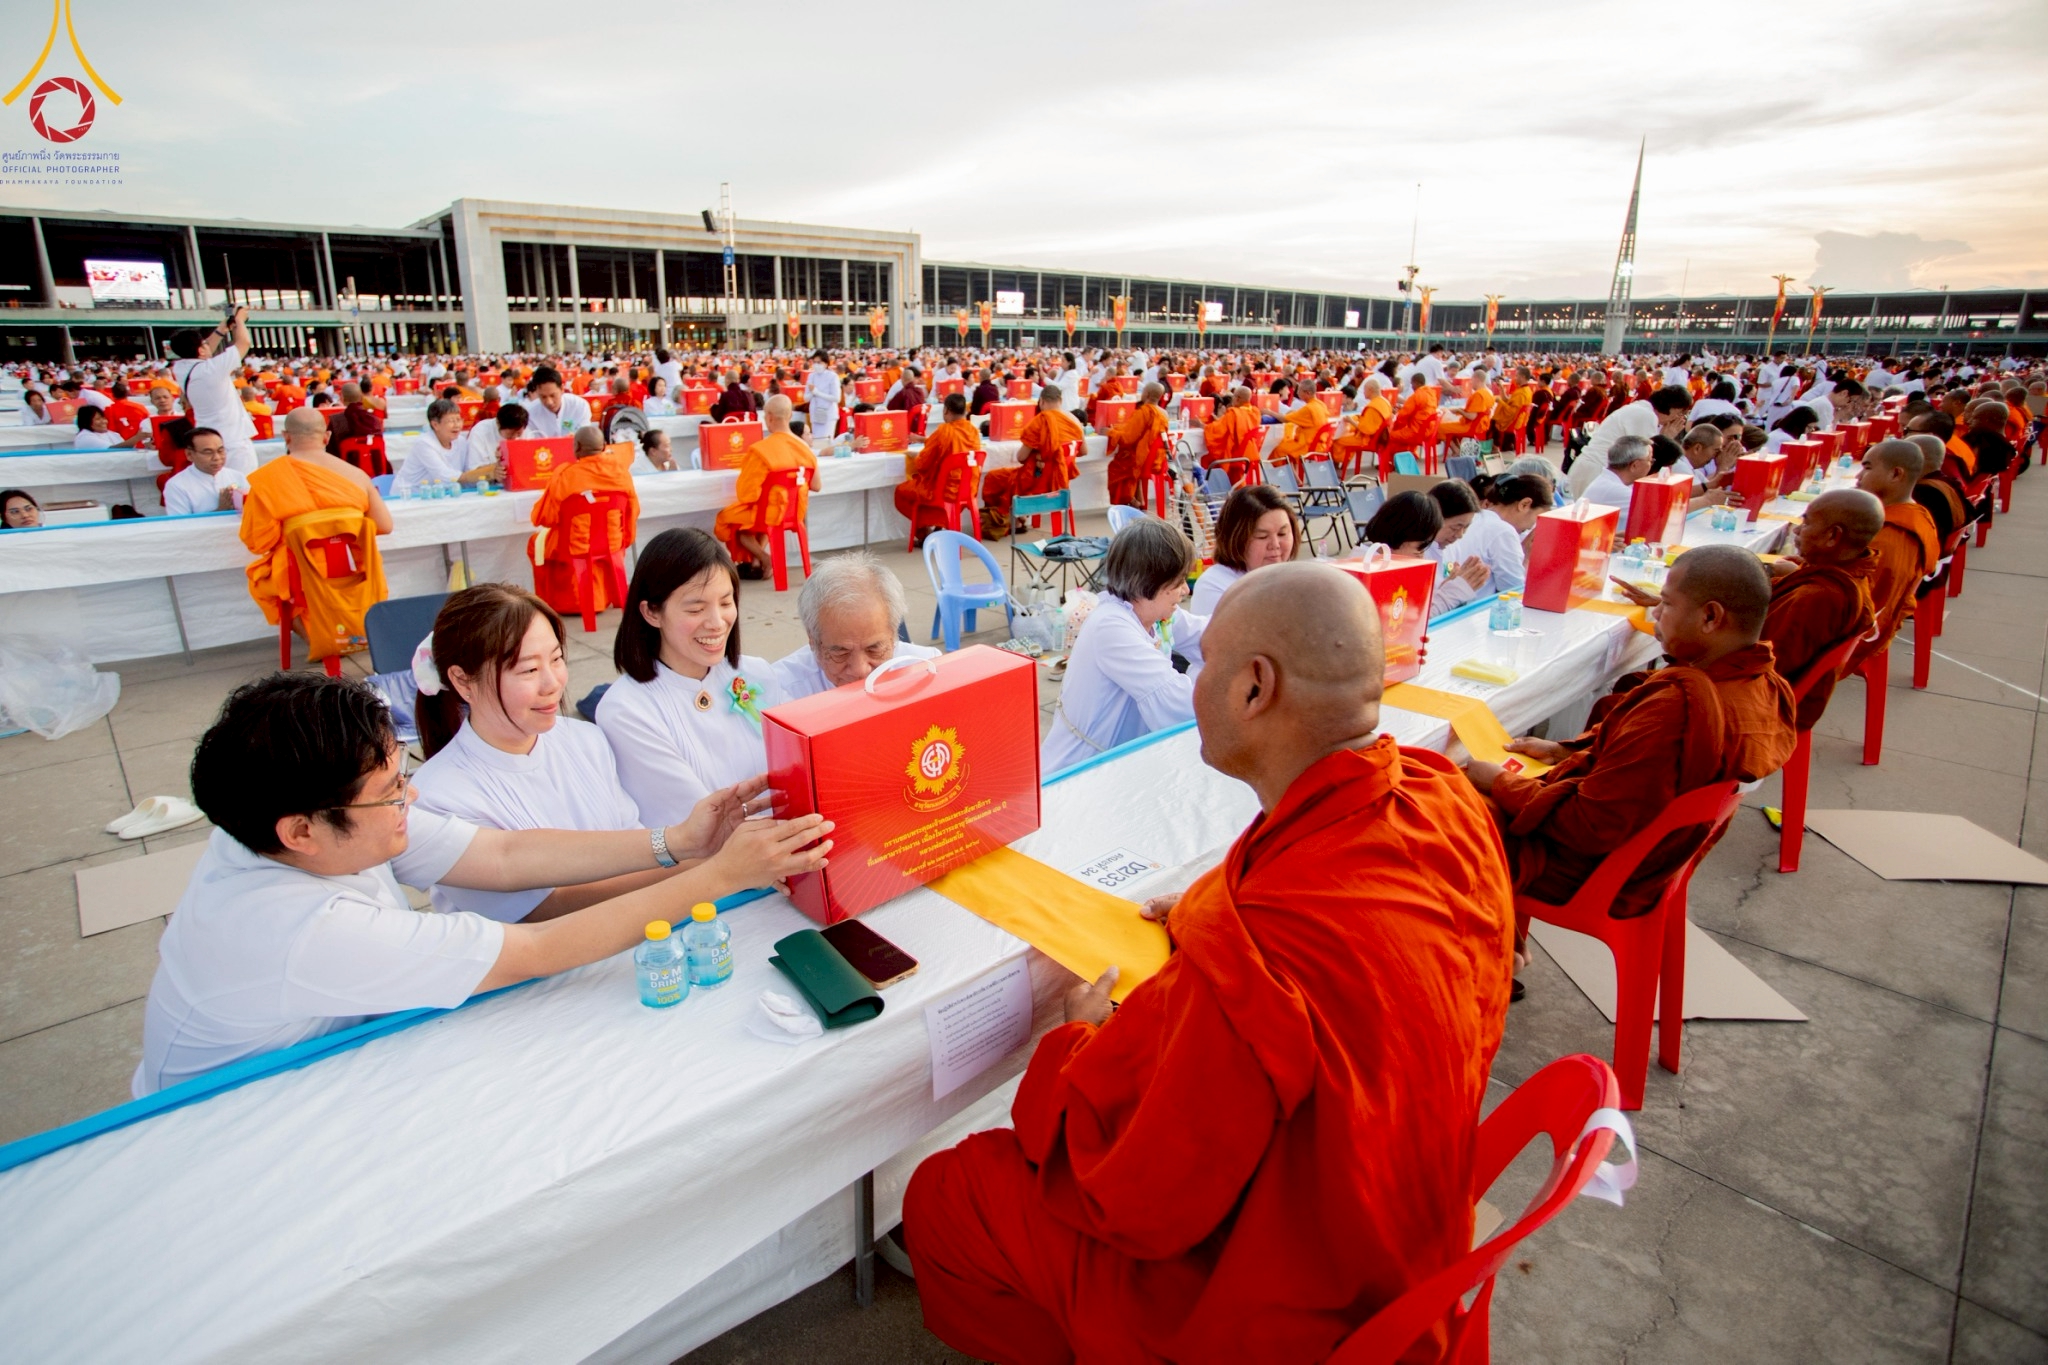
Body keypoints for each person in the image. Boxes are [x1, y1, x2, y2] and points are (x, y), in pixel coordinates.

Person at [906, 562, 1515, 1364]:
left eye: (1202, 666)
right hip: (1412, 1223)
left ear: (1254, 689)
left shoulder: (1259, 950)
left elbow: (1139, 1197)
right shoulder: (1442, 801)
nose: (1190, 682)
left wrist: (1072, 1046)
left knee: (947, 1191)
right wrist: (1209, 909)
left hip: (1282, 1301)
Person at [133, 671, 832, 1095]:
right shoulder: (297, 931)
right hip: (232, 1112)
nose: (408, 797)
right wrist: (717, 874)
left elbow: (501, 856)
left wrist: (675, 840)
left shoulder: (280, 822)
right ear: (300, 830)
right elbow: (535, 949)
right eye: (388, 791)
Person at [1465, 544, 1797, 941]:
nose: (1655, 613)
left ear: (1710, 616)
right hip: (1653, 862)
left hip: (1598, 871)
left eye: (1667, 604)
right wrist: (1564, 752)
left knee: (1448, 806)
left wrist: (1499, 784)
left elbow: (1588, 826)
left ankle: (1489, 953)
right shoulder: (1768, 687)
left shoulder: (1678, 708)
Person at [411, 584, 682, 922]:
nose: (553, 682)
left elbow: (633, 840)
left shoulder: (587, 740)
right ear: (464, 681)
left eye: (556, 659)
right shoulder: (436, 798)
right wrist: (698, 863)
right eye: (528, 670)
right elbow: (540, 912)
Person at [596, 528, 785, 825]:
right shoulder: (626, 711)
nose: (716, 623)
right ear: (651, 613)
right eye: (696, 609)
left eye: (725, 603)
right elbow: (697, 827)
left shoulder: (756, 674)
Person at [1043, 517, 1207, 774]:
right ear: (1150, 581)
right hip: (1081, 771)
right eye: (1178, 581)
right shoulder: (1111, 626)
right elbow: (1178, 702)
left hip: (1116, 764)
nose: (1185, 590)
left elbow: (1207, 634)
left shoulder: (1154, 612)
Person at [241, 408, 392, 665]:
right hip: (353, 568)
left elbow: (258, 541)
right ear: (327, 437)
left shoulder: (269, 478)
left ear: (286, 437)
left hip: (300, 574)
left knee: (260, 580)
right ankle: (350, 635)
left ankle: (318, 639)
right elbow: (384, 525)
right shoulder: (356, 475)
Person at [1757, 489, 1881, 728]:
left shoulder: (1817, 598)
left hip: (1771, 705)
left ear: (1832, 536)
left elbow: (1768, 667)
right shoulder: (1850, 573)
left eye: (1806, 522)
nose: (1797, 530)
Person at [770, 552, 938, 699]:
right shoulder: (781, 693)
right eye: (841, 652)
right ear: (812, 640)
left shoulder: (928, 670)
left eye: (874, 649)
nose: (860, 670)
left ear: (893, 633)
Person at [529, 425, 639, 613]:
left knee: (534, 543)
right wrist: (623, 540)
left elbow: (544, 517)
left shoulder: (566, 475)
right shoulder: (621, 473)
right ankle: (606, 596)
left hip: (574, 547)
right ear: (604, 446)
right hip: (612, 543)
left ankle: (556, 602)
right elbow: (632, 512)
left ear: (577, 447)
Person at [713, 395, 819, 578]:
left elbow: (746, 494)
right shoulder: (805, 449)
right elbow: (816, 485)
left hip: (768, 514)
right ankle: (756, 559)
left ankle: (763, 558)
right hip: (795, 513)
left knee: (729, 519)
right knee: (761, 516)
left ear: (769, 417)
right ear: (790, 415)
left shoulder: (760, 450)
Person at [978, 385, 1083, 536]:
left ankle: (1004, 520)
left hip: (1038, 483)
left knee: (994, 477)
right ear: (1061, 400)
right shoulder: (1073, 421)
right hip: (1061, 481)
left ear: (1041, 402)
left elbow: (1021, 458)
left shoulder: (1039, 421)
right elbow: (1082, 451)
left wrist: (1041, 454)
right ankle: (1018, 519)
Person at [168, 305, 259, 473]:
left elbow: (201, 350)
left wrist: (222, 329)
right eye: (204, 344)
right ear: (201, 350)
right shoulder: (211, 370)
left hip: (210, 441)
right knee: (243, 490)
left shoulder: (181, 369)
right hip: (234, 443)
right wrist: (239, 320)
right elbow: (244, 343)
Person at [1190, 484, 1300, 617]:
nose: (1275, 545)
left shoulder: (1294, 577)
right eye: (1262, 536)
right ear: (1235, 538)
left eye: (1282, 533)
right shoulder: (1215, 586)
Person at [893, 392, 983, 545]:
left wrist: (916, 456)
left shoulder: (944, 431)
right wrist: (924, 440)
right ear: (965, 411)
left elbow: (922, 464)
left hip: (943, 492)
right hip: (967, 490)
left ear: (946, 411)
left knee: (901, 492)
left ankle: (924, 534)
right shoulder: (973, 431)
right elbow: (953, 447)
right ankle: (939, 527)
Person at [1569, 384, 1691, 496]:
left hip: (1594, 471)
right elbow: (1648, 461)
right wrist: (1666, 439)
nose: (1678, 418)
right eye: (1680, 413)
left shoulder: (1643, 410)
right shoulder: (1645, 415)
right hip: (1595, 472)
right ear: (1674, 408)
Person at [394, 398, 499, 496]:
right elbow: (445, 476)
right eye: (451, 421)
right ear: (435, 425)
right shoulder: (424, 443)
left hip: (442, 494)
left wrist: (494, 467)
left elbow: (469, 471)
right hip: (410, 495)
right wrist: (490, 471)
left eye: (458, 420)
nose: (457, 425)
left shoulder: (461, 442)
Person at [1105, 381, 1170, 507]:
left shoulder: (1143, 412)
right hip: (1156, 458)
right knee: (1129, 458)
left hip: (1142, 459)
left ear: (1147, 394)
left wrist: (1111, 432)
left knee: (1116, 465)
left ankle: (1130, 500)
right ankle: (1139, 500)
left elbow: (1127, 439)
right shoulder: (1164, 413)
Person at [162, 426, 249, 516]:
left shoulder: (237, 476)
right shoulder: (177, 485)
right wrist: (220, 511)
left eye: (220, 451)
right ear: (189, 454)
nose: (217, 458)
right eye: (208, 452)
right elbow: (181, 526)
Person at [1331, 376, 1393, 470]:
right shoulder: (1385, 402)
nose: (1363, 392)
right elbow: (1369, 420)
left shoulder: (1373, 406)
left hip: (1369, 439)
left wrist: (1351, 421)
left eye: (1364, 390)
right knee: (1349, 435)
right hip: (1379, 438)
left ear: (1371, 390)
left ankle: (1338, 465)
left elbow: (1366, 429)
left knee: (1338, 440)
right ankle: (1343, 465)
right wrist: (1356, 418)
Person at [1267, 381, 1329, 474]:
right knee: (1286, 446)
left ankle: (1290, 479)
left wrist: (1269, 412)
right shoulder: (1321, 404)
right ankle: (1296, 478)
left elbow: (1285, 419)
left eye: (1299, 391)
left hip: (1308, 445)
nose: (1297, 393)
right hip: (1321, 444)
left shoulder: (1308, 409)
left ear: (1307, 393)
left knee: (1278, 451)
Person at [516, 365, 591, 439]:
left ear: (562, 389)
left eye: (553, 395)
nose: (549, 402)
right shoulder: (530, 414)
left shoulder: (579, 406)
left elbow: (585, 437)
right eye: (543, 397)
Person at [1582, 433, 1653, 509]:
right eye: (1650, 460)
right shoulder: (1617, 491)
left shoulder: (1609, 481)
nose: (1651, 465)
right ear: (1634, 465)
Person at [1202, 387, 1263, 474]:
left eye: (1233, 397)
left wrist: (1202, 426)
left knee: (1206, 458)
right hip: (1249, 452)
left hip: (1234, 454)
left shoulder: (1234, 413)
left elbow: (1218, 430)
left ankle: (1214, 485)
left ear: (1237, 399)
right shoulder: (1255, 412)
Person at [1387, 371, 1440, 453]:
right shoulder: (1432, 393)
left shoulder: (1417, 395)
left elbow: (1403, 415)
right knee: (1400, 434)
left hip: (1416, 432)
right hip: (1429, 431)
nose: (1412, 387)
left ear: (1416, 383)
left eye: (1412, 384)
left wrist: (1394, 427)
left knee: (1388, 436)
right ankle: (1406, 457)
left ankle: (1390, 462)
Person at [1437, 374, 1496, 445]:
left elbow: (1472, 416)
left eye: (1472, 381)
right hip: (1483, 426)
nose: (1471, 383)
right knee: (1450, 426)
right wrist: (1461, 410)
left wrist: (1459, 411)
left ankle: (1456, 451)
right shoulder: (1489, 393)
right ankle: (1458, 450)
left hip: (1472, 427)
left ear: (1477, 379)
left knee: (1440, 427)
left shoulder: (1478, 394)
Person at [804, 350, 841, 444]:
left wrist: (817, 392)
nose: (816, 365)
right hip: (815, 412)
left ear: (825, 363)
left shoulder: (832, 376)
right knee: (816, 441)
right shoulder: (811, 376)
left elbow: (837, 398)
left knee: (825, 442)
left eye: (819, 362)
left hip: (828, 413)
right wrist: (813, 393)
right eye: (814, 362)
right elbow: (806, 397)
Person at [69, 404, 146, 449]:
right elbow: (112, 450)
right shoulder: (84, 437)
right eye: (98, 419)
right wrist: (137, 437)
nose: (104, 421)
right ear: (86, 422)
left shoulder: (114, 434)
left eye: (104, 418)